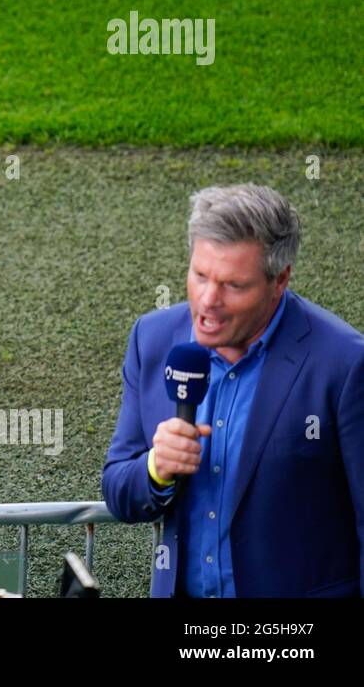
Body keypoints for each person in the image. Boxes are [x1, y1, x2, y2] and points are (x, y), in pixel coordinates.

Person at [103, 184, 364, 597]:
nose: (208, 300)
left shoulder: (344, 365)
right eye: (200, 275)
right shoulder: (151, 339)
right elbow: (118, 487)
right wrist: (157, 467)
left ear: (279, 280)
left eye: (233, 285)